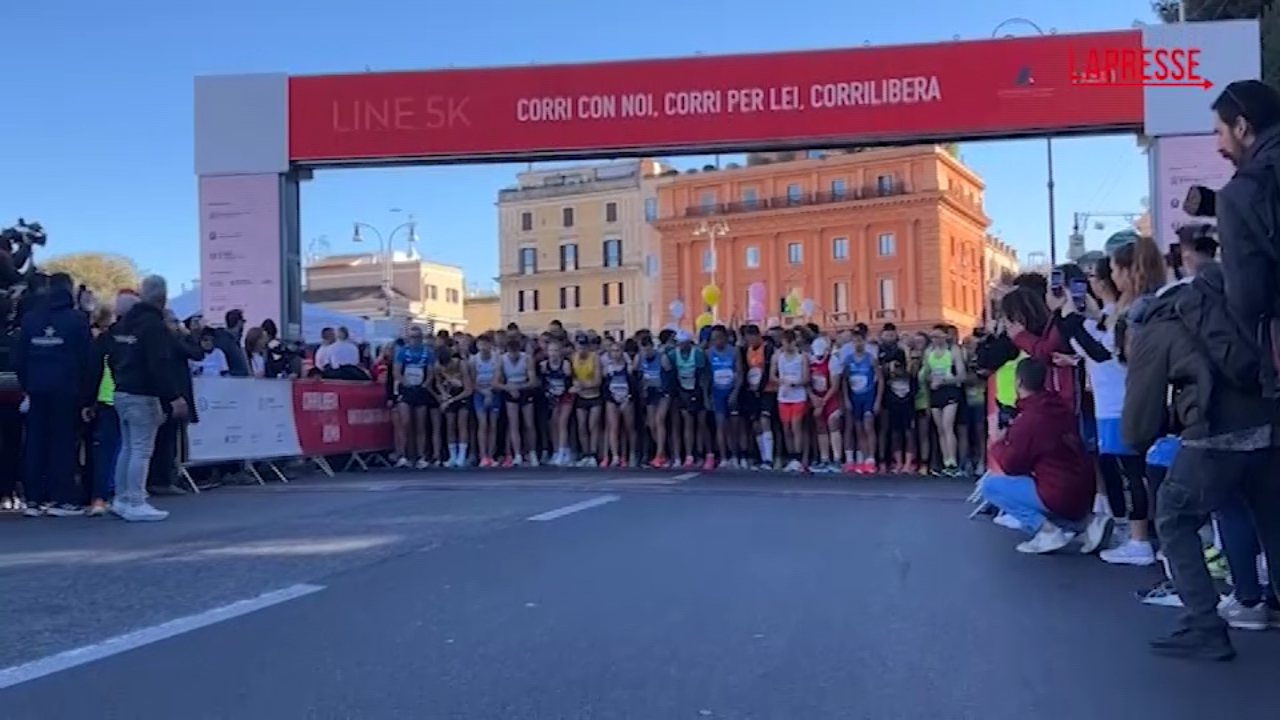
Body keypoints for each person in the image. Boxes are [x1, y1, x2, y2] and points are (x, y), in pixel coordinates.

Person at [1123, 257, 1280, 660]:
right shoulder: (1231, 306)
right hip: (1268, 422)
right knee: (1272, 520)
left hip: (1214, 434)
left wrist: (1149, 437)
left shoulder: (1156, 328)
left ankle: (1204, 625)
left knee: (1174, 516)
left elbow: (1138, 422)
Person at [979, 359, 1106, 554]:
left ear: (1019, 382)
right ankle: (1088, 523)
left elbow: (1011, 466)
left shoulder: (1030, 419)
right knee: (1041, 482)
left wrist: (997, 444)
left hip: (1057, 489)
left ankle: (1047, 531)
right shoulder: (1060, 407)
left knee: (991, 486)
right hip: (1083, 487)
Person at [104, 275, 186, 522]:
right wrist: (173, 396)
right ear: (163, 297)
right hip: (143, 393)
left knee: (128, 447)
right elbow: (159, 363)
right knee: (141, 448)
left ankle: (121, 498)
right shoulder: (154, 326)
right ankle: (136, 501)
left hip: (122, 390)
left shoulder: (123, 324)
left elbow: (111, 356)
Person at [13, 272, 95, 516]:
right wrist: (86, 395)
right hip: (67, 389)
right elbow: (88, 360)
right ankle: (61, 499)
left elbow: (19, 357)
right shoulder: (77, 319)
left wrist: (27, 384)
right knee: (63, 444)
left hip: (36, 388)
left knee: (35, 443)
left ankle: (33, 500)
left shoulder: (31, 319)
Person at [771, 329, 809, 473]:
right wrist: (782, 381)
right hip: (783, 396)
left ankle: (798, 458)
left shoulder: (801, 357)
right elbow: (772, 376)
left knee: (796, 427)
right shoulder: (778, 357)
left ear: (793, 342)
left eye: (788, 343)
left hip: (798, 396)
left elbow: (806, 378)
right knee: (786, 428)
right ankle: (791, 456)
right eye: (783, 343)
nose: (785, 346)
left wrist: (794, 383)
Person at [739, 325, 776, 470]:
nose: (750, 342)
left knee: (765, 419)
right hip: (751, 390)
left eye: (751, 339)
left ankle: (769, 458)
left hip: (767, 390)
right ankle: (762, 456)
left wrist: (760, 388)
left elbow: (767, 370)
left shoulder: (767, 349)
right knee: (755, 423)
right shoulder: (746, 350)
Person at [706, 326, 742, 469]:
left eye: (719, 338)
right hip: (717, 392)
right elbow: (706, 377)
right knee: (721, 425)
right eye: (714, 339)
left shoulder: (734, 351)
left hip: (731, 390)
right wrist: (707, 395)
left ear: (725, 338)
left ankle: (735, 456)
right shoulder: (709, 353)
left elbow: (739, 373)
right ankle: (724, 457)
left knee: (734, 426)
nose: (717, 341)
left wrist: (735, 392)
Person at [470, 333, 501, 467]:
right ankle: (483, 456)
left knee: (493, 425)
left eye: (486, 344)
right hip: (479, 393)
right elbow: (472, 381)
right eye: (480, 345)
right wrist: (484, 392)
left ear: (490, 345)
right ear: (477, 346)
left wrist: (491, 392)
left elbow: (497, 377)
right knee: (483, 424)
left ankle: (491, 455)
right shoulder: (473, 360)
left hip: (494, 392)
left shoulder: (496, 358)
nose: (483, 347)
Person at [212, 309, 250, 377]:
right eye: (243, 322)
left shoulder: (227, 340)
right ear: (239, 322)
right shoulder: (228, 342)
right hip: (234, 382)